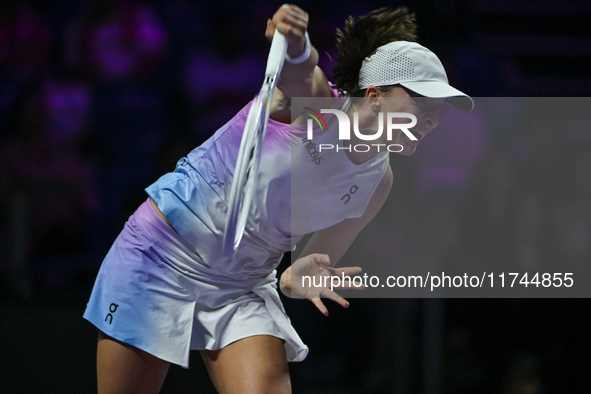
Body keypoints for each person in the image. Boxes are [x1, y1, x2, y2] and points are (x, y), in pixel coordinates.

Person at [83, 4, 473, 393]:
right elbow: (301, 73)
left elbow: (300, 270)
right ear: (374, 95)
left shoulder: (378, 181)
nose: (433, 119)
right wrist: (298, 44)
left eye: (437, 109)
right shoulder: (317, 107)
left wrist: (300, 275)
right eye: (422, 103)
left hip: (242, 284)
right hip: (163, 252)